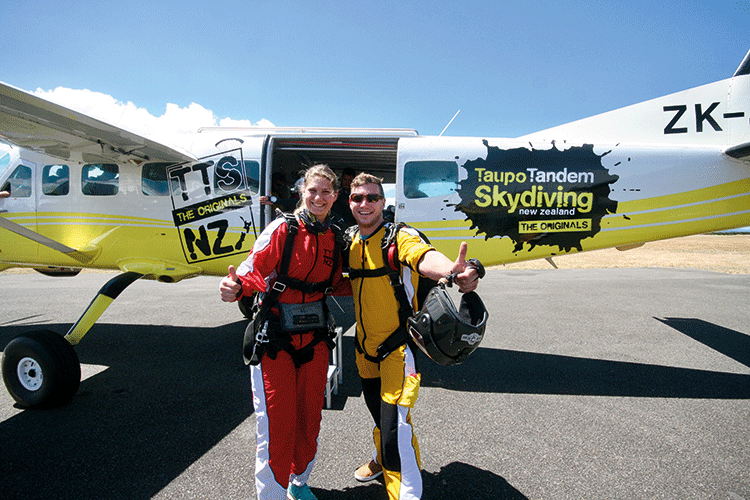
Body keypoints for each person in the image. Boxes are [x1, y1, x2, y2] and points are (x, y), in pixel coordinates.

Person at [346, 173, 480, 500]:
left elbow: (424, 257)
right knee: (380, 418)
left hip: (396, 350)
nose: (365, 204)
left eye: (372, 198)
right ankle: (381, 460)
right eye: (357, 198)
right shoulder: (348, 239)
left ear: (383, 202)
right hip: (364, 350)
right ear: (349, 202)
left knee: (396, 432)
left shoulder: (398, 237)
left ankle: (405, 494)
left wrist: (452, 271)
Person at [220, 164, 350, 500]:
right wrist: (234, 286)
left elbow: (340, 284)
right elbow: (251, 270)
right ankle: (272, 495)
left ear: (335, 196)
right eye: (313, 191)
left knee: (309, 421)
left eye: (325, 192)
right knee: (277, 424)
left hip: (316, 339)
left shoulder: (335, 237)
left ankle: (298, 481)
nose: (318, 197)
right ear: (302, 192)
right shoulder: (282, 229)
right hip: (275, 339)